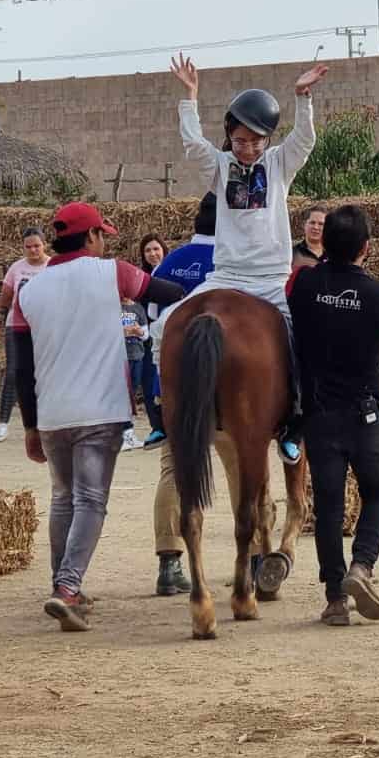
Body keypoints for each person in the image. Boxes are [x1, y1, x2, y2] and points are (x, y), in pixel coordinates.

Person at [16, 202, 185, 632]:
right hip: (100, 409)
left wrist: (30, 425)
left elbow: (20, 364)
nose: (104, 242)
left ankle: (62, 583)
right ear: (91, 237)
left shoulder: (29, 289)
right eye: (101, 235)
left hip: (52, 411)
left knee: (63, 498)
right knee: (91, 500)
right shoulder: (113, 272)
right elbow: (167, 292)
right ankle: (67, 587)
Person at [166, 52, 327, 465]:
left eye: (256, 141)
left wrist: (302, 98)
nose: (248, 149)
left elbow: (304, 140)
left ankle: (294, 423)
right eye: (240, 141)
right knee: (165, 326)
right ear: (230, 137)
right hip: (226, 276)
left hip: (272, 279)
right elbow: (192, 145)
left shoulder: (279, 164)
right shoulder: (220, 167)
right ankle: (164, 410)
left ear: (267, 140)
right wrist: (189, 97)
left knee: (303, 341)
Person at [289, 205, 379, 626]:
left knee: (329, 506)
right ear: (366, 248)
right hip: (366, 409)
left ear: (324, 243)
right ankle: (362, 566)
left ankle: (335, 598)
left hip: (319, 412)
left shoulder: (303, 284)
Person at [149, 194, 218, 596]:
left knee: (173, 469)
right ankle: (257, 555)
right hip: (226, 386)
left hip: (173, 383)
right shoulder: (231, 264)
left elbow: (154, 324)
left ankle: (169, 562)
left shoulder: (170, 262)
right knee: (246, 462)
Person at [0, 227, 49, 444]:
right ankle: (3, 422)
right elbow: (5, 298)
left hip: (45, 327)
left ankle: (44, 422)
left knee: (44, 372)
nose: (33, 250)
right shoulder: (17, 268)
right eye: (28, 247)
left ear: (44, 245)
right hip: (17, 325)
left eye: (37, 246)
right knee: (14, 371)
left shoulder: (52, 266)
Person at [134, 234, 168, 446]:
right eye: (148, 250)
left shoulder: (172, 272)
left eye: (156, 249)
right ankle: (157, 427)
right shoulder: (140, 278)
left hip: (171, 333)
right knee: (149, 382)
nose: (153, 254)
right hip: (147, 337)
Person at [120, 296, 149, 451]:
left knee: (132, 395)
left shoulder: (138, 308)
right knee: (121, 395)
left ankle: (129, 433)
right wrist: (124, 331)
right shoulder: (112, 306)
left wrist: (138, 331)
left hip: (136, 355)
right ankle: (123, 434)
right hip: (119, 357)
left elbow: (145, 335)